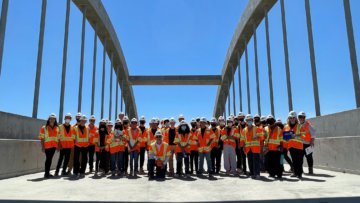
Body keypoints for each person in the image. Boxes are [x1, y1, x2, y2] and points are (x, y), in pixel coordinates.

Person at [284, 111, 306, 179]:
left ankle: (299, 174)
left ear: (296, 118)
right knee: (294, 160)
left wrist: (296, 135)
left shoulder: (300, 126)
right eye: (291, 118)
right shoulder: (286, 126)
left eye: (293, 117)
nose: (292, 119)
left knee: (299, 161)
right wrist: (286, 139)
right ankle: (295, 173)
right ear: (289, 118)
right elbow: (285, 136)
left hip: (299, 146)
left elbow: (304, 135)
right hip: (291, 146)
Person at [243, 114, 265, 179]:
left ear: (252, 120)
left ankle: (257, 173)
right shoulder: (244, 130)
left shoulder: (257, 128)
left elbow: (262, 136)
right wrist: (243, 147)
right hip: (248, 148)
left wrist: (258, 136)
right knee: (250, 161)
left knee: (256, 161)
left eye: (250, 120)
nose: (248, 121)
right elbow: (243, 139)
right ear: (246, 121)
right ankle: (252, 173)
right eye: (247, 120)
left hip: (255, 148)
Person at [38, 113, 59, 178]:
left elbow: (58, 138)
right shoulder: (44, 128)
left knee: (49, 159)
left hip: (53, 146)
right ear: (49, 119)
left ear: (55, 120)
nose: (52, 120)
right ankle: (46, 173)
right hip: (47, 146)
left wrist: (58, 146)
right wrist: (43, 147)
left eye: (53, 119)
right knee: (48, 159)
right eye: (51, 119)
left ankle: (47, 173)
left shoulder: (57, 128)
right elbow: (42, 138)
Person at [264, 115, 283, 179]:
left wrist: (281, 146)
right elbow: (264, 138)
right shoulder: (265, 129)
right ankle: (271, 173)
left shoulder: (278, 129)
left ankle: (279, 174)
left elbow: (281, 139)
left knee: (279, 163)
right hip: (269, 149)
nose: (270, 123)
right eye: (268, 121)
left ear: (274, 121)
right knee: (269, 163)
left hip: (277, 149)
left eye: (271, 121)